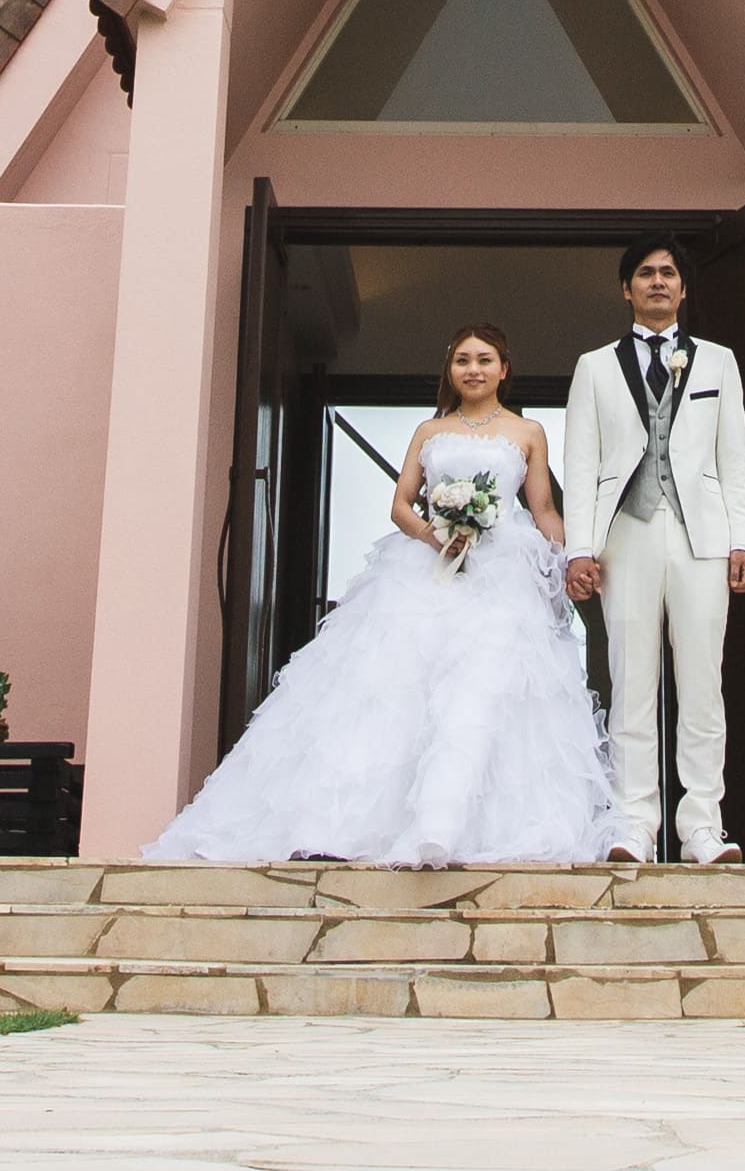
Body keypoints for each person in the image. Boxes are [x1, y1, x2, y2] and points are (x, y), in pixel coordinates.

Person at [143, 323, 616, 866]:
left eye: (485, 360)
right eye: (463, 359)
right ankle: (350, 825)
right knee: (390, 686)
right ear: (451, 369)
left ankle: (455, 824)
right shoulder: (428, 430)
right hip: (425, 568)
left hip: (501, 573)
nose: (474, 369)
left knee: (481, 690)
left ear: (504, 370)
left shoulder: (528, 432)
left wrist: (574, 557)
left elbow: (542, 509)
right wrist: (436, 536)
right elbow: (401, 505)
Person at [552, 240, 745, 863]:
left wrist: (742, 539)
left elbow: (735, 458)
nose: (658, 282)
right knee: (631, 680)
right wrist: (579, 548)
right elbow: (581, 464)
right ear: (626, 289)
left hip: (702, 536)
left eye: (669, 273)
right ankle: (632, 824)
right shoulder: (594, 367)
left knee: (703, 683)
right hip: (626, 535)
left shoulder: (718, 363)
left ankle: (701, 826)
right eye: (646, 273)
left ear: (683, 289)